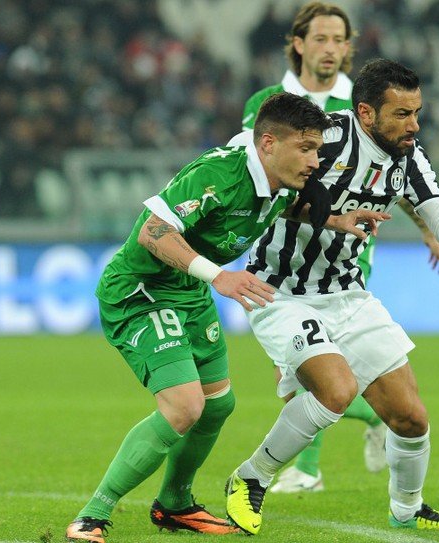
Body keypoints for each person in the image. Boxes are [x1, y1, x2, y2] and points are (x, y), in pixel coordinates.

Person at [65, 92, 388, 543]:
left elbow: (279, 206)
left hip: (189, 291)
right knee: (185, 406)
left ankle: (175, 504)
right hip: (143, 291)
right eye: (306, 148)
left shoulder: (277, 178)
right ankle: (91, 517)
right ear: (269, 143)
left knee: (217, 405)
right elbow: (152, 232)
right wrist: (219, 276)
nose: (316, 161)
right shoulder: (219, 174)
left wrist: (336, 220)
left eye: (317, 149)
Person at [224, 59, 439, 535]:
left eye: (417, 113)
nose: (414, 125)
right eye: (402, 114)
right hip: (279, 291)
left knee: (411, 418)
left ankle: (407, 509)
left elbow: (438, 212)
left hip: (347, 292)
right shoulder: (325, 137)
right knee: (335, 391)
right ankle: (252, 476)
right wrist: (310, 203)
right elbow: (251, 163)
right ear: (366, 113)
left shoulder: (408, 157)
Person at [240, 1, 439, 494]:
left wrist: (427, 228)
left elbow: (395, 173)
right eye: (321, 39)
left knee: (314, 373)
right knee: (299, 375)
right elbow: (256, 170)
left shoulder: (361, 103)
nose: (331, 49)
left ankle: (307, 470)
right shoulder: (268, 101)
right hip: (282, 252)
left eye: (340, 40)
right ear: (299, 44)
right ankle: (368, 423)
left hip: (347, 257)